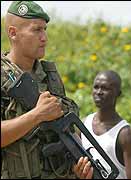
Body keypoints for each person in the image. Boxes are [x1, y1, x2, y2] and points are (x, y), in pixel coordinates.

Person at [1, 1, 88, 179]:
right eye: (36, 30)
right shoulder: (3, 76)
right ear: (13, 33)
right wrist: (37, 115)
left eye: (45, 29)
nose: (44, 38)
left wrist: (77, 165)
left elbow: (66, 129)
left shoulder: (49, 76)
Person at [73, 70, 131, 179]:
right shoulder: (84, 124)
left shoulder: (123, 133)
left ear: (118, 93)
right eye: (96, 87)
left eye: (105, 88)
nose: (99, 92)